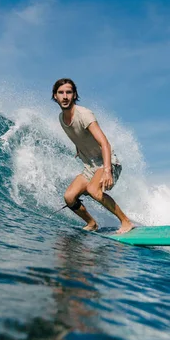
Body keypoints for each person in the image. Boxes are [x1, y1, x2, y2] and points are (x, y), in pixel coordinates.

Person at [52, 78, 134, 234]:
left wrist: (107, 170)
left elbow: (105, 144)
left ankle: (126, 222)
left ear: (74, 95)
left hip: (107, 162)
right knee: (69, 197)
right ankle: (92, 223)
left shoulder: (84, 114)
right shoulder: (61, 119)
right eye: (60, 92)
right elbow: (78, 135)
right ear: (55, 96)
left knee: (93, 190)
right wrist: (79, 148)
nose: (65, 96)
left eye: (69, 92)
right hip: (90, 166)